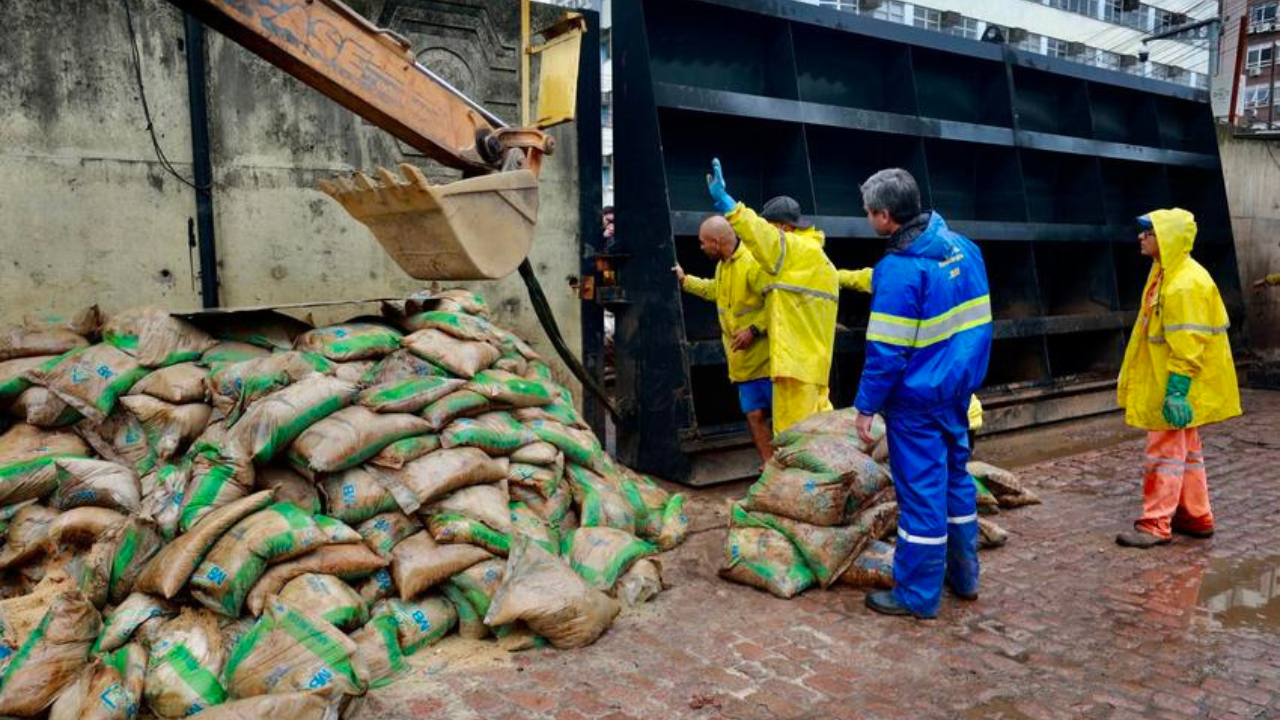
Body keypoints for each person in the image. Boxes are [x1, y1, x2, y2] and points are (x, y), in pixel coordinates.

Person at [850, 168, 993, 619]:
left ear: (886, 216)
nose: (868, 220)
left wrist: (866, 407)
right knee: (955, 482)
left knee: (921, 496)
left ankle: (916, 594)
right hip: (957, 393)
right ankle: (964, 577)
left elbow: (886, 353)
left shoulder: (898, 271)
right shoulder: (964, 249)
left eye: (869, 213)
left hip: (916, 403)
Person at [1115, 209, 1241, 549]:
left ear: (1167, 238)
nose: (1141, 238)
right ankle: (1196, 517)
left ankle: (1155, 524)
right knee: (1187, 452)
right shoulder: (1167, 273)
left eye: (1149, 232)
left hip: (1174, 385)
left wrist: (1176, 391)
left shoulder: (1184, 284)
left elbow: (1188, 343)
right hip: (1170, 381)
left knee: (1163, 455)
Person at [705, 159, 840, 434]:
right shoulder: (812, 258)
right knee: (820, 439)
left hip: (796, 370)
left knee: (793, 443)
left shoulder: (794, 252)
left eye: (773, 228)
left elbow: (761, 236)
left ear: (785, 229)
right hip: (810, 369)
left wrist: (730, 206)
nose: (771, 236)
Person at [837, 265, 987, 452]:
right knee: (954, 471)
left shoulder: (901, 279)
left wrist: (833, 275)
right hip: (964, 415)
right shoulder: (941, 285)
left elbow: (886, 364)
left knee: (935, 469)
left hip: (943, 415)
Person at [673, 216, 773, 463]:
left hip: (767, 361)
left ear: (717, 242)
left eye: (703, 242)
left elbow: (778, 303)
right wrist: (685, 281)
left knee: (782, 420)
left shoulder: (752, 264)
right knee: (754, 415)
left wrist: (754, 329)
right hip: (743, 364)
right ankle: (769, 466)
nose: (701, 247)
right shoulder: (724, 266)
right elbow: (714, 291)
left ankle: (787, 470)